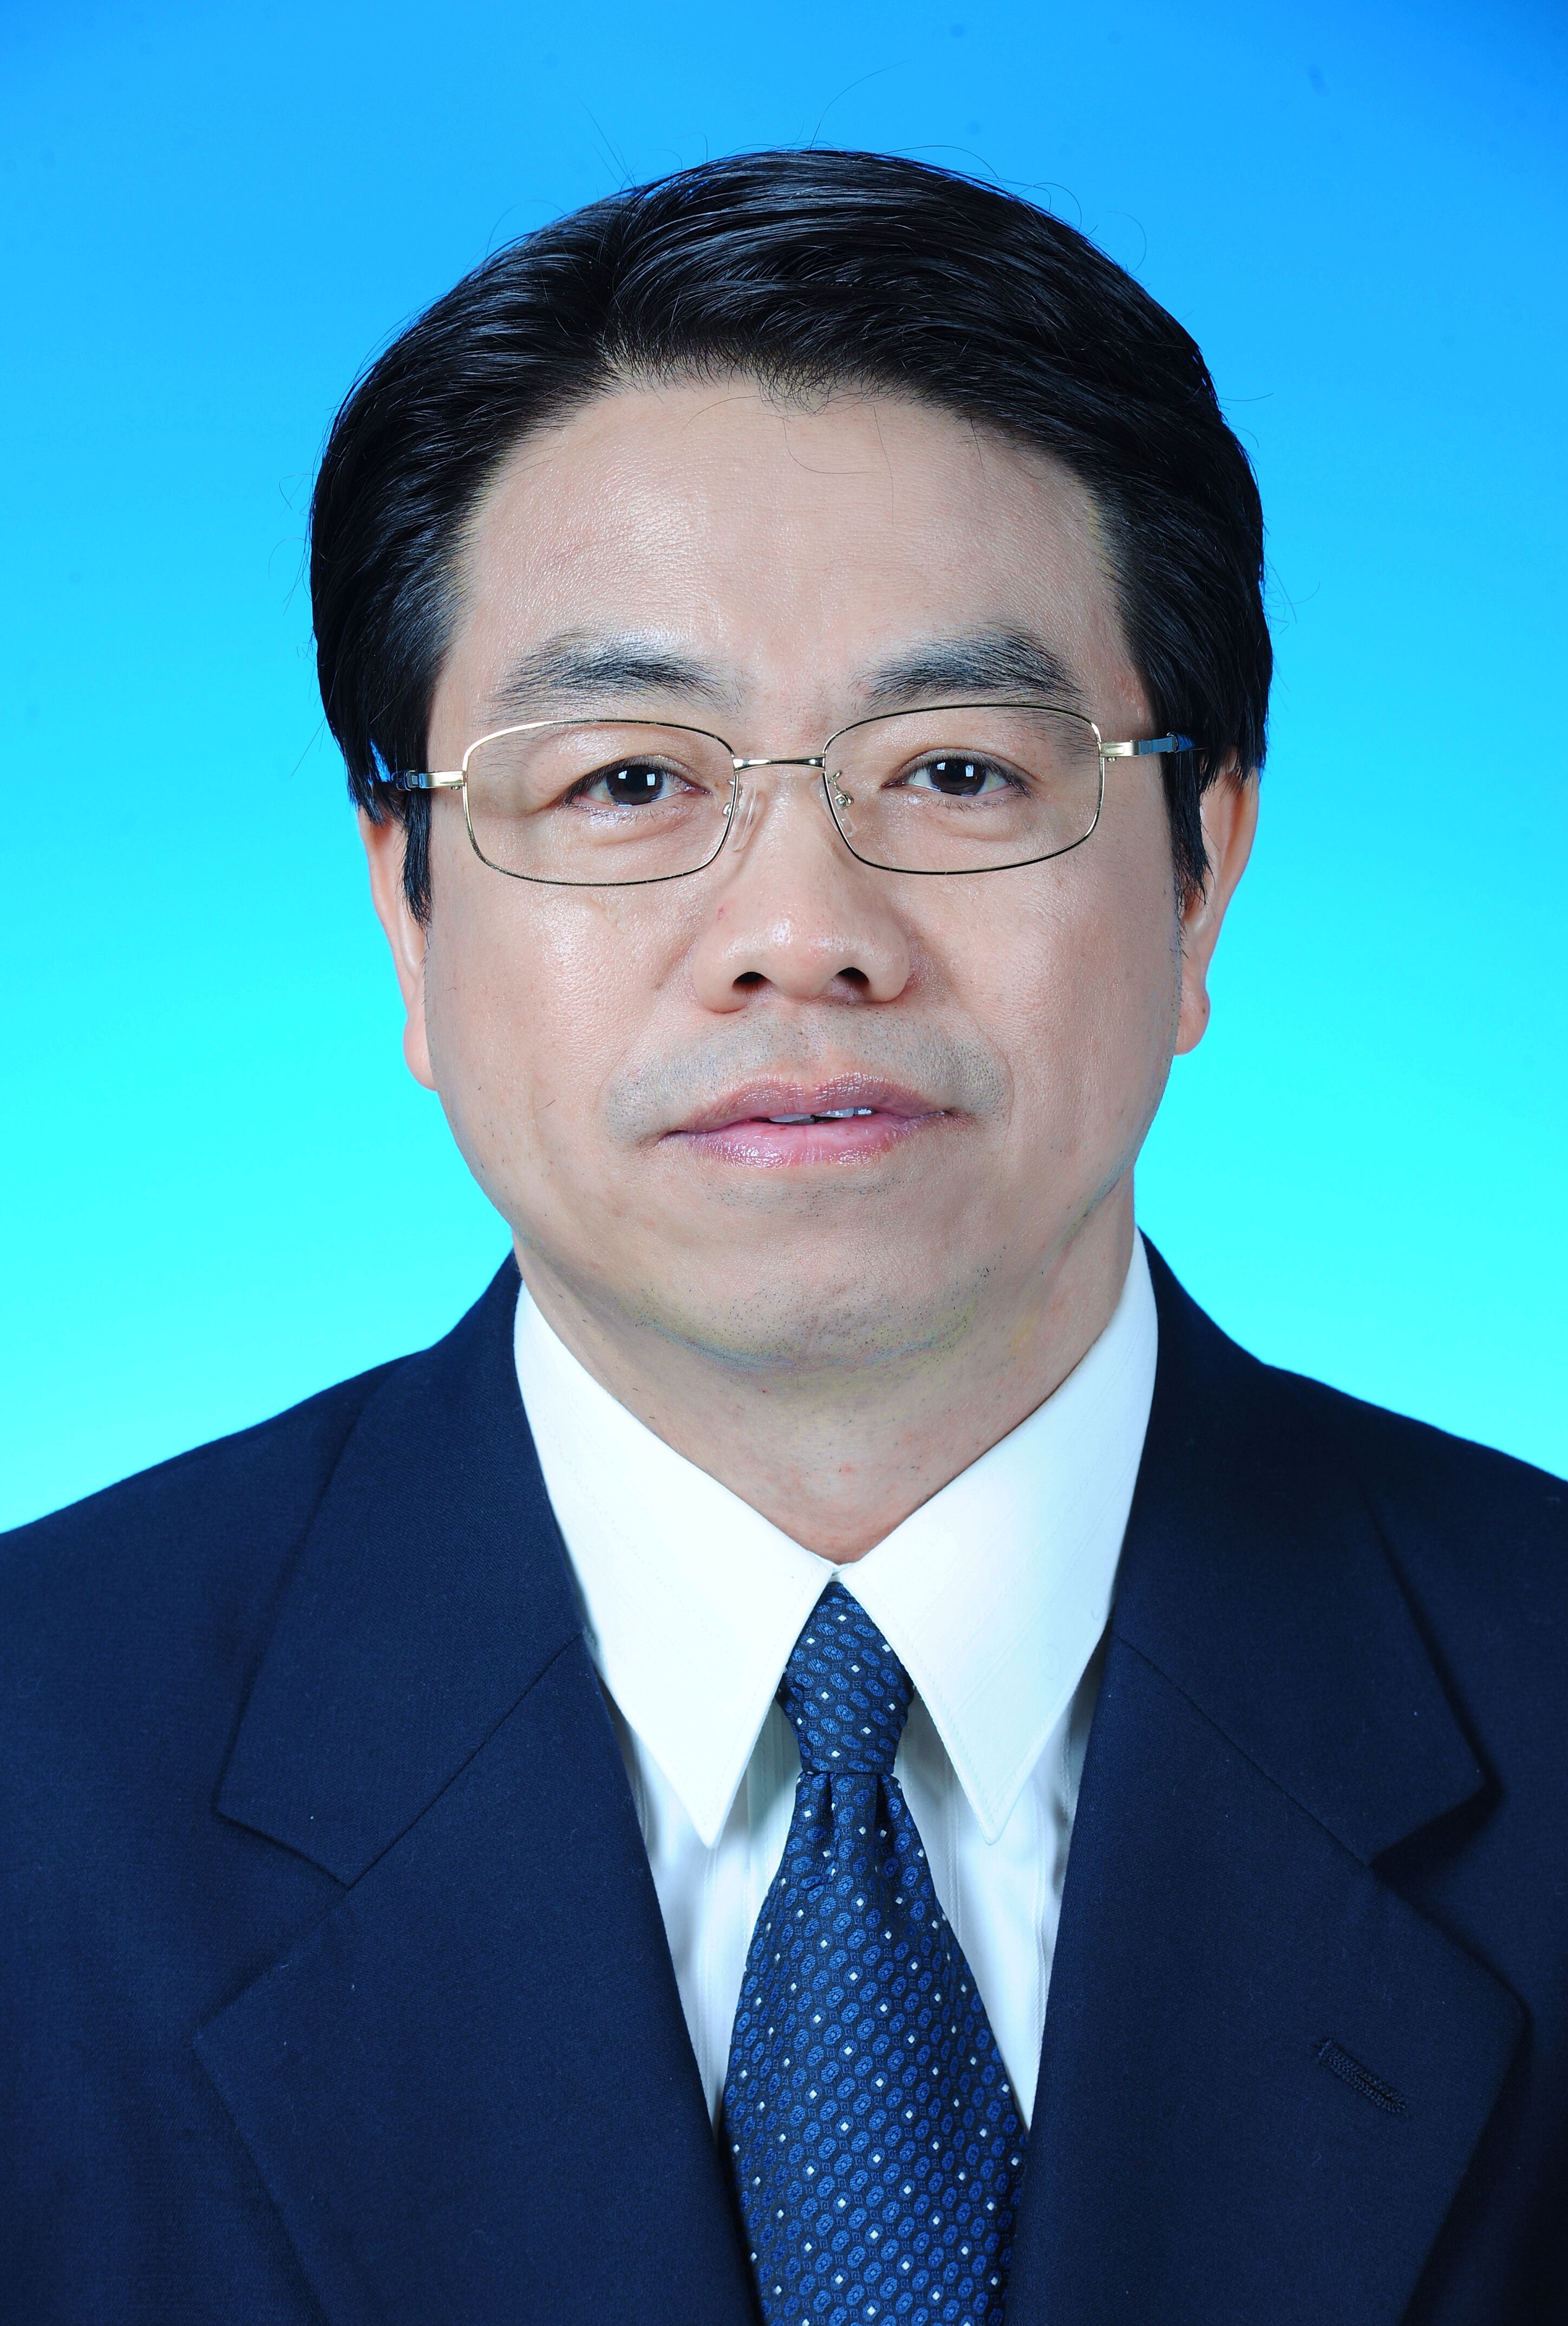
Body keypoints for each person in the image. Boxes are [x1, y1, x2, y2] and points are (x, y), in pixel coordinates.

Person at [1, 149, 1563, 2326]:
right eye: (627, 782)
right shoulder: (35, 1774)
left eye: (957, 772)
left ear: (1201, 871)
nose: (799, 936)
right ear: (409, 915)